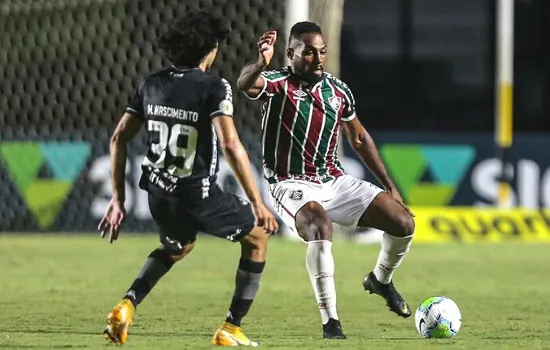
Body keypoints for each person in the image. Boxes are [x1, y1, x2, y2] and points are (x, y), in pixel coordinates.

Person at [98, 10, 278, 347]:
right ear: (210, 49)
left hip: (158, 194)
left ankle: (127, 305)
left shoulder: (151, 84)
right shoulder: (213, 87)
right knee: (256, 239)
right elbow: (230, 144)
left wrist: (118, 199)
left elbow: (118, 138)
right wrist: (258, 203)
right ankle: (231, 328)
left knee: (178, 246)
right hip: (197, 195)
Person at [236, 21, 415, 339]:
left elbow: (358, 138)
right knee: (319, 227)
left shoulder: (338, 90)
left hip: (334, 180)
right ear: (290, 53)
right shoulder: (277, 83)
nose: (317, 59)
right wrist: (260, 63)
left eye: (322, 52)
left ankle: (381, 280)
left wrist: (390, 186)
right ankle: (331, 323)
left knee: (403, 222)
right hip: (289, 183)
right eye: (308, 53)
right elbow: (245, 85)